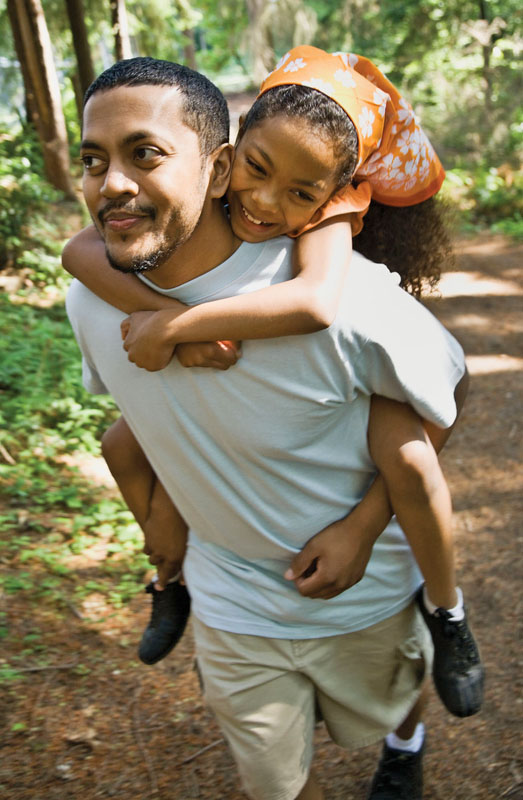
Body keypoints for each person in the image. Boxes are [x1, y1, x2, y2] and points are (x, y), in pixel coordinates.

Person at [66, 55, 473, 800]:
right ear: (236, 162)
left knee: (395, 695)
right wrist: (165, 515)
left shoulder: (343, 297)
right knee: (268, 779)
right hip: (232, 606)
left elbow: (437, 379)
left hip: (364, 594)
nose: (114, 183)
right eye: (94, 159)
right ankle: (169, 577)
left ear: (212, 167)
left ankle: (414, 717)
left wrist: (362, 527)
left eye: (146, 154)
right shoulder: (92, 298)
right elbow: (150, 421)